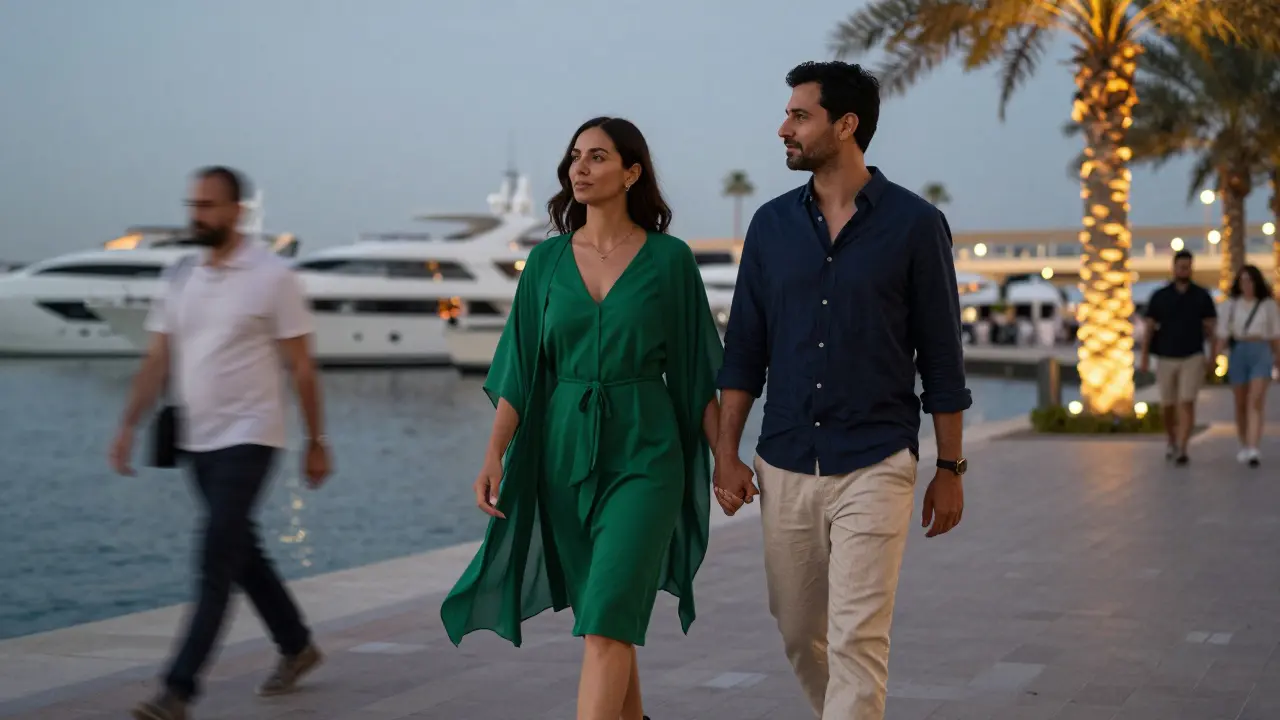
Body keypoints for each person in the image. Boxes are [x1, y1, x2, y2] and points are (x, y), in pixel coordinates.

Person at [439, 117, 723, 720]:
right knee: (606, 615)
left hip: (646, 453)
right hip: (563, 453)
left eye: (597, 157)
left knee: (607, 623)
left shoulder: (670, 261)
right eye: (575, 157)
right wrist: (494, 454)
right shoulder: (544, 263)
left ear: (632, 172)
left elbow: (698, 374)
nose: (580, 168)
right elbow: (519, 368)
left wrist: (726, 459)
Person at [713, 61, 971, 720]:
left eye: (799, 115)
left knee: (859, 637)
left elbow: (941, 355)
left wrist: (950, 467)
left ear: (845, 125)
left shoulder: (915, 224)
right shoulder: (770, 227)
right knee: (802, 634)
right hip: (787, 458)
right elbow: (744, 350)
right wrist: (726, 453)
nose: (784, 129)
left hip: (877, 458)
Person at [109, 166, 331, 720]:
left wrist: (316, 440)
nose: (197, 215)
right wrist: (129, 423)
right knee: (241, 552)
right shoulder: (181, 274)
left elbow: (301, 367)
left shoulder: (272, 275)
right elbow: (158, 355)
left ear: (237, 210)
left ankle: (177, 690)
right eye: (193, 204)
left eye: (208, 205)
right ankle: (297, 645)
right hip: (197, 440)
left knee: (214, 559)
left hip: (252, 437)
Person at [1139, 250, 1218, 465]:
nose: (1184, 270)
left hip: (1192, 356)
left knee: (1187, 402)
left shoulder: (1202, 296)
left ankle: (1183, 448)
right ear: (1174, 268)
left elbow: (1211, 329)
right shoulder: (1160, 296)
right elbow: (1148, 329)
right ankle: (1171, 440)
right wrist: (1144, 356)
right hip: (1166, 357)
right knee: (1167, 405)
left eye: (1188, 266)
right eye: (1181, 266)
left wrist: (1213, 357)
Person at [1213, 264, 1280, 467]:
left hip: (1261, 350)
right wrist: (1214, 358)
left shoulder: (1268, 305)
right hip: (1239, 351)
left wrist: (1277, 356)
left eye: (1250, 280)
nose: (1246, 285)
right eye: (1242, 280)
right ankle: (1244, 443)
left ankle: (1253, 447)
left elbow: (1275, 334)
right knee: (1241, 402)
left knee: (1255, 400)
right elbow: (1223, 333)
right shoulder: (1230, 305)